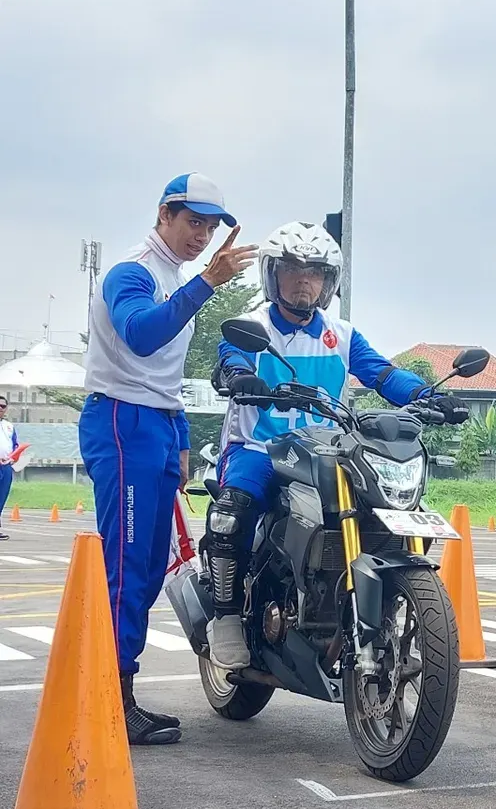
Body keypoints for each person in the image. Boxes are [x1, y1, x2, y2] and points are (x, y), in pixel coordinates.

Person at [205, 221, 471, 669]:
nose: (303, 282)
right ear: (273, 275)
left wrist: (427, 394)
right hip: (259, 447)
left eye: (315, 273)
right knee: (233, 510)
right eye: (292, 270)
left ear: (329, 282)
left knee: (380, 506)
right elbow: (230, 357)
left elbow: (382, 373)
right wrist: (237, 376)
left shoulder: (342, 334)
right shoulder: (250, 328)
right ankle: (227, 616)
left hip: (325, 448)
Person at [79, 172, 256, 745]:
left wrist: (179, 438)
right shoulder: (133, 271)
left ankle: (118, 690)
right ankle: (111, 699)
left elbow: (165, 375)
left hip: (155, 423)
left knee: (152, 565)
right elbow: (140, 337)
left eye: (210, 226)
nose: (201, 235)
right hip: (121, 421)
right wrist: (208, 281)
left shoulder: (172, 276)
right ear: (164, 215)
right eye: (192, 222)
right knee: (127, 566)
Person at [0, 395, 15, 541]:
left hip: (5, 466)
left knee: (1, 497)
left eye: (3, 406)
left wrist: (12, 457)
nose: (0, 408)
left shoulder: (9, 426)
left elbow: (14, 445)